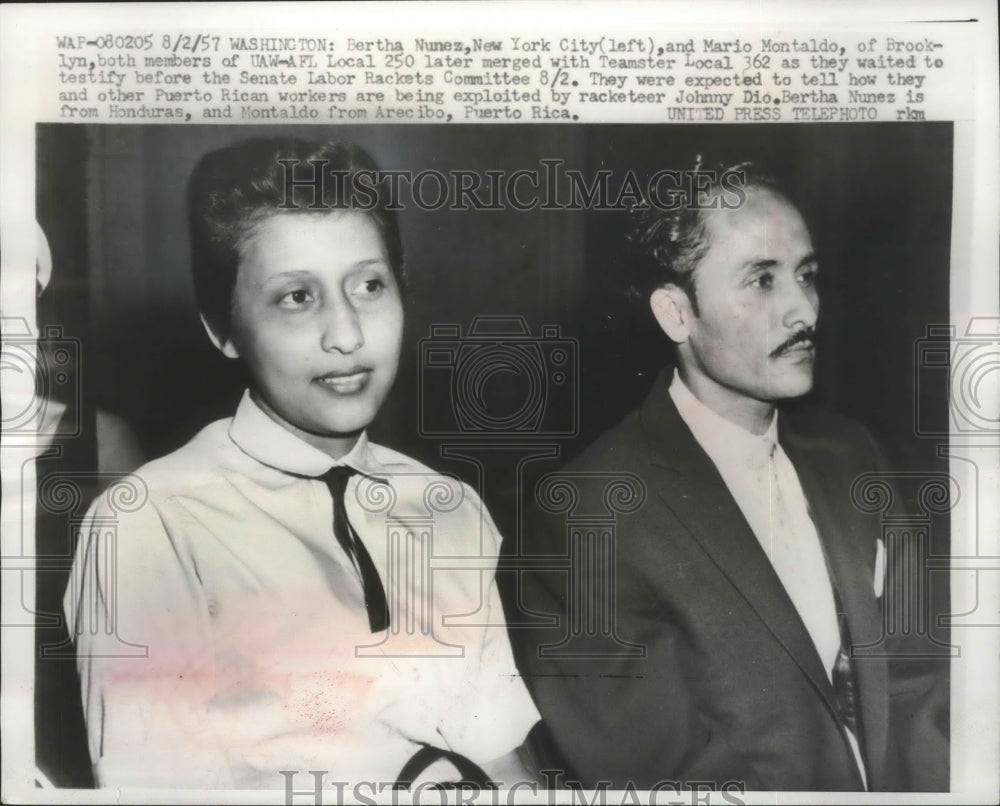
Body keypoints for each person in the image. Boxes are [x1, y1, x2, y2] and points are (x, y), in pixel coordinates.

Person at [64, 138, 540, 789]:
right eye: (296, 297)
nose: (345, 335)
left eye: (369, 285)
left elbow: (502, 759)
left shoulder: (450, 506)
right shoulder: (154, 524)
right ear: (222, 328)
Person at [512, 161, 948, 792]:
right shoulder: (585, 513)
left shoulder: (852, 454)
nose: (804, 309)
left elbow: (924, 684)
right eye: (761, 281)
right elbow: (664, 773)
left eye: (806, 276)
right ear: (676, 314)